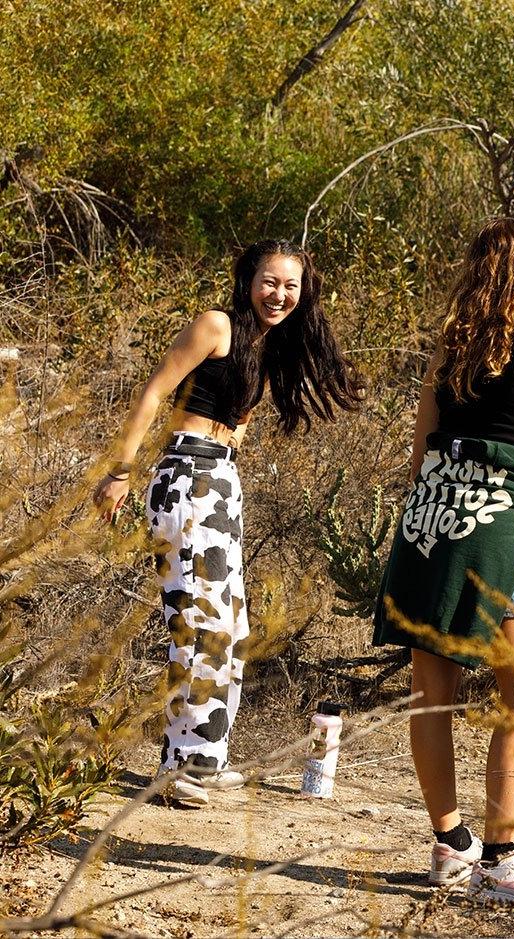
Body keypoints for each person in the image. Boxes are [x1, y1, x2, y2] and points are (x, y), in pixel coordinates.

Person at [94, 239, 362, 807]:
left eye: (291, 285)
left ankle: (201, 757)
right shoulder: (216, 326)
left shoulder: (269, 345)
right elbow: (153, 393)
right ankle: (179, 770)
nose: (280, 294)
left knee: (230, 626)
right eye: (270, 281)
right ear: (248, 280)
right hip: (188, 477)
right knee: (201, 621)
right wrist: (120, 471)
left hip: (221, 484)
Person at [373, 218, 514, 911]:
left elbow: (418, 452)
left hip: (432, 516)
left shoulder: (450, 343)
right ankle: (501, 861)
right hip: (502, 522)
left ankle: (449, 841)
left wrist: (428, 519)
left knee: (430, 690)